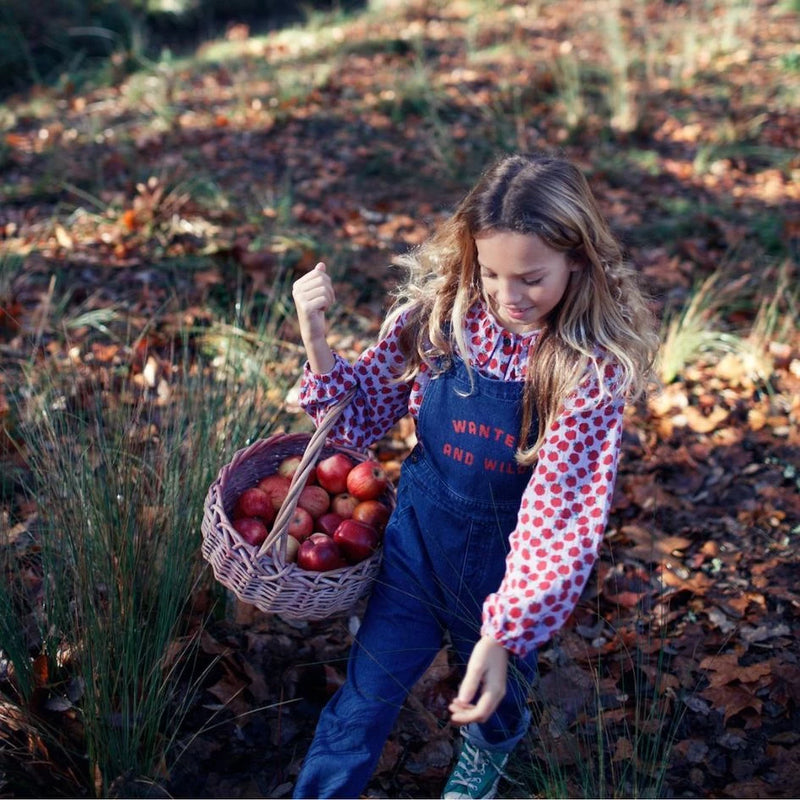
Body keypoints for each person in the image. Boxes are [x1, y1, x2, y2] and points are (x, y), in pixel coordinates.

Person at [290, 152, 658, 799]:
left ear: (578, 260)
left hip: (506, 565)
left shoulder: (583, 372)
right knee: (363, 698)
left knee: (496, 694)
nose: (508, 297)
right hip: (416, 547)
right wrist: (315, 336)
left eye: (531, 279)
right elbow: (358, 422)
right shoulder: (442, 321)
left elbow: (559, 517)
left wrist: (503, 630)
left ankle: (486, 755)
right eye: (491, 273)